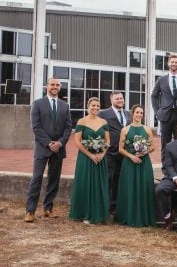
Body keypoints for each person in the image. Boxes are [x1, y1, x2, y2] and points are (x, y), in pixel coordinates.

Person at [24, 77, 72, 222]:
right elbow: (36, 127)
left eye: (57, 85)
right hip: (42, 148)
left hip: (58, 149)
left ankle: (48, 209)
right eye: (52, 84)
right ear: (47, 86)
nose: (55, 87)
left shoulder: (65, 106)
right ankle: (30, 211)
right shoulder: (38, 104)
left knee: (54, 180)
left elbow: (68, 127)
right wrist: (49, 143)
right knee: (36, 178)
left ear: (60, 87)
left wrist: (60, 143)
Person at [69, 97, 111, 224]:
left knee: (99, 184)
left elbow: (108, 141)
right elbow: (77, 141)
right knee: (85, 183)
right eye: (93, 105)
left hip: (100, 159)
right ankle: (84, 213)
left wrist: (102, 154)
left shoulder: (104, 122)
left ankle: (99, 214)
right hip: (86, 158)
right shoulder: (82, 121)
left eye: (98, 106)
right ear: (88, 106)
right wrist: (90, 155)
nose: (95, 108)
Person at [114, 105, 156, 227]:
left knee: (144, 187)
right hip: (129, 163)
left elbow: (152, 147)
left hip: (144, 163)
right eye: (137, 112)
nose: (139, 115)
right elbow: (120, 149)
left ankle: (144, 216)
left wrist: (144, 152)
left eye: (141, 113)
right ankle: (128, 215)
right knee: (130, 188)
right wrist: (132, 156)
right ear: (132, 114)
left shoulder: (147, 129)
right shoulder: (125, 130)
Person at [98, 91, 131, 215]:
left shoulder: (128, 114)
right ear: (111, 100)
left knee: (118, 180)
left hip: (124, 153)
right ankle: (103, 206)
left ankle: (114, 206)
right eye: (117, 99)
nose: (120, 100)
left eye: (121, 98)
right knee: (108, 179)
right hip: (109, 152)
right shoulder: (103, 114)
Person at [151, 54, 177, 149]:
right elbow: (154, 96)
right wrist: (157, 112)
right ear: (168, 63)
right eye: (172, 62)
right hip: (165, 116)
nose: (174, 64)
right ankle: (165, 164)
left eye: (176, 62)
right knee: (165, 144)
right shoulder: (161, 80)